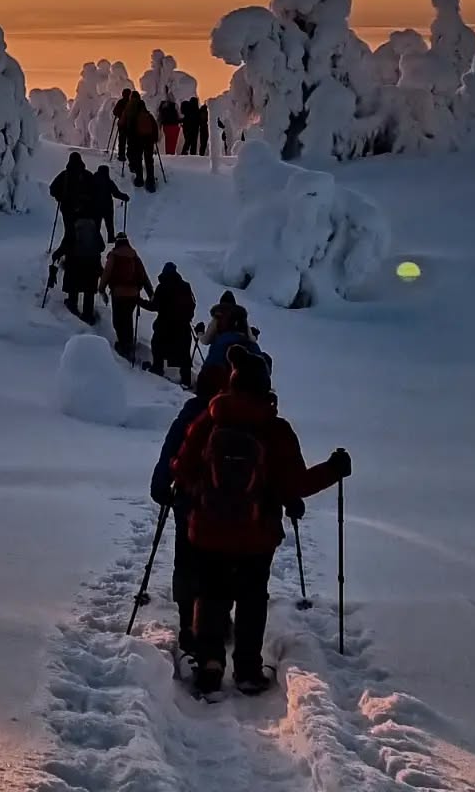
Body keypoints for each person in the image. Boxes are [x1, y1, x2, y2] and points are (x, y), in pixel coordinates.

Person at [173, 345, 351, 696]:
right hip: (257, 534)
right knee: (252, 598)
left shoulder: (209, 420)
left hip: (208, 530)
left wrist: (200, 491)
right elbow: (295, 484)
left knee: (210, 595)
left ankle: (210, 663)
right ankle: (247, 670)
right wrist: (334, 469)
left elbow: (181, 467)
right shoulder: (275, 429)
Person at [150, 360, 232, 654]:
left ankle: (188, 624)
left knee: (186, 563)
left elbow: (169, 454)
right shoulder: (233, 417)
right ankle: (219, 621)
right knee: (221, 566)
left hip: (188, 505)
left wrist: (162, 488)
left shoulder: (189, 416)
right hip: (227, 510)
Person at [100, 231, 153, 361]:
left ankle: (123, 345)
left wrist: (101, 289)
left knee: (118, 320)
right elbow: (143, 275)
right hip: (133, 294)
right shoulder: (134, 255)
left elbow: (107, 273)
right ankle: (128, 344)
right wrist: (151, 293)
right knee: (128, 318)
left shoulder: (114, 255)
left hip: (118, 294)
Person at [147, 262, 197, 386]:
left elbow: (154, 306)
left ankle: (157, 368)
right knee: (184, 353)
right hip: (183, 326)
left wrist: (139, 301)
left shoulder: (162, 287)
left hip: (164, 326)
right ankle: (186, 380)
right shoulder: (185, 286)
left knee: (157, 345)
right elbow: (192, 304)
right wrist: (188, 317)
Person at [53, 212, 105, 323]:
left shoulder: (73, 226)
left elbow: (66, 244)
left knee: (74, 286)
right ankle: (88, 314)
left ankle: (72, 307)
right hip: (92, 263)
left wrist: (57, 254)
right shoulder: (94, 227)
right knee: (89, 290)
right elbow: (102, 247)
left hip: (75, 262)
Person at [200, 292, 270, 371]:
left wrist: (200, 333)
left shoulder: (218, 316)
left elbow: (206, 340)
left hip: (222, 354)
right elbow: (252, 339)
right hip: (241, 351)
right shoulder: (241, 317)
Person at [126, 93, 159, 192]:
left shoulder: (133, 116)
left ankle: (139, 180)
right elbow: (155, 128)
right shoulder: (148, 115)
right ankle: (150, 182)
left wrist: (130, 141)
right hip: (148, 141)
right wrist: (154, 139)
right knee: (149, 161)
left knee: (138, 159)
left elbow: (130, 130)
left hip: (138, 141)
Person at [89, 164, 129, 243]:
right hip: (107, 207)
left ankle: (95, 239)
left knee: (96, 224)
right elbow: (116, 193)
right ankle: (110, 238)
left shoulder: (93, 181)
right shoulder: (108, 182)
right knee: (109, 224)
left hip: (95, 207)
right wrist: (124, 197)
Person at [49, 152, 92, 225]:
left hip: (67, 208)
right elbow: (94, 190)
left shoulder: (64, 174)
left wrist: (59, 196)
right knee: (81, 232)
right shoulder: (87, 175)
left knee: (69, 231)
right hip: (84, 209)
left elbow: (53, 189)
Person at [110, 88, 133, 162]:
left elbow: (115, 112)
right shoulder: (132, 102)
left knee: (122, 140)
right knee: (131, 140)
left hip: (122, 124)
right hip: (131, 125)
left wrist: (120, 114)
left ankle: (121, 155)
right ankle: (130, 155)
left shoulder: (121, 102)